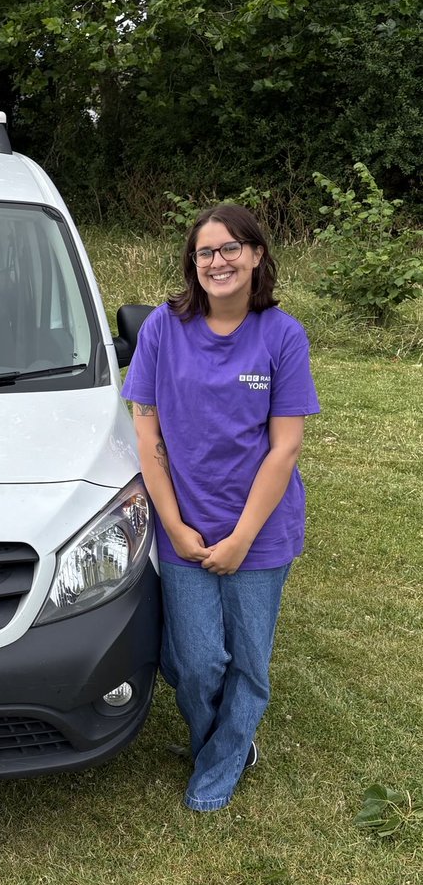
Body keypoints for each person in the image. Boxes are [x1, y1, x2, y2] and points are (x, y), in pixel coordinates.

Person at [121, 204, 319, 812]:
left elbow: (284, 449)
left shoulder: (283, 335)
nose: (218, 261)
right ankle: (223, 740)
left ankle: (222, 758)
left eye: (231, 248)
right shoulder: (161, 328)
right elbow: (146, 433)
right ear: (193, 264)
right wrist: (176, 527)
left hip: (260, 532)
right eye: (206, 252)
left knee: (249, 663)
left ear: (257, 255)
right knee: (199, 660)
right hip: (185, 527)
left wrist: (240, 540)